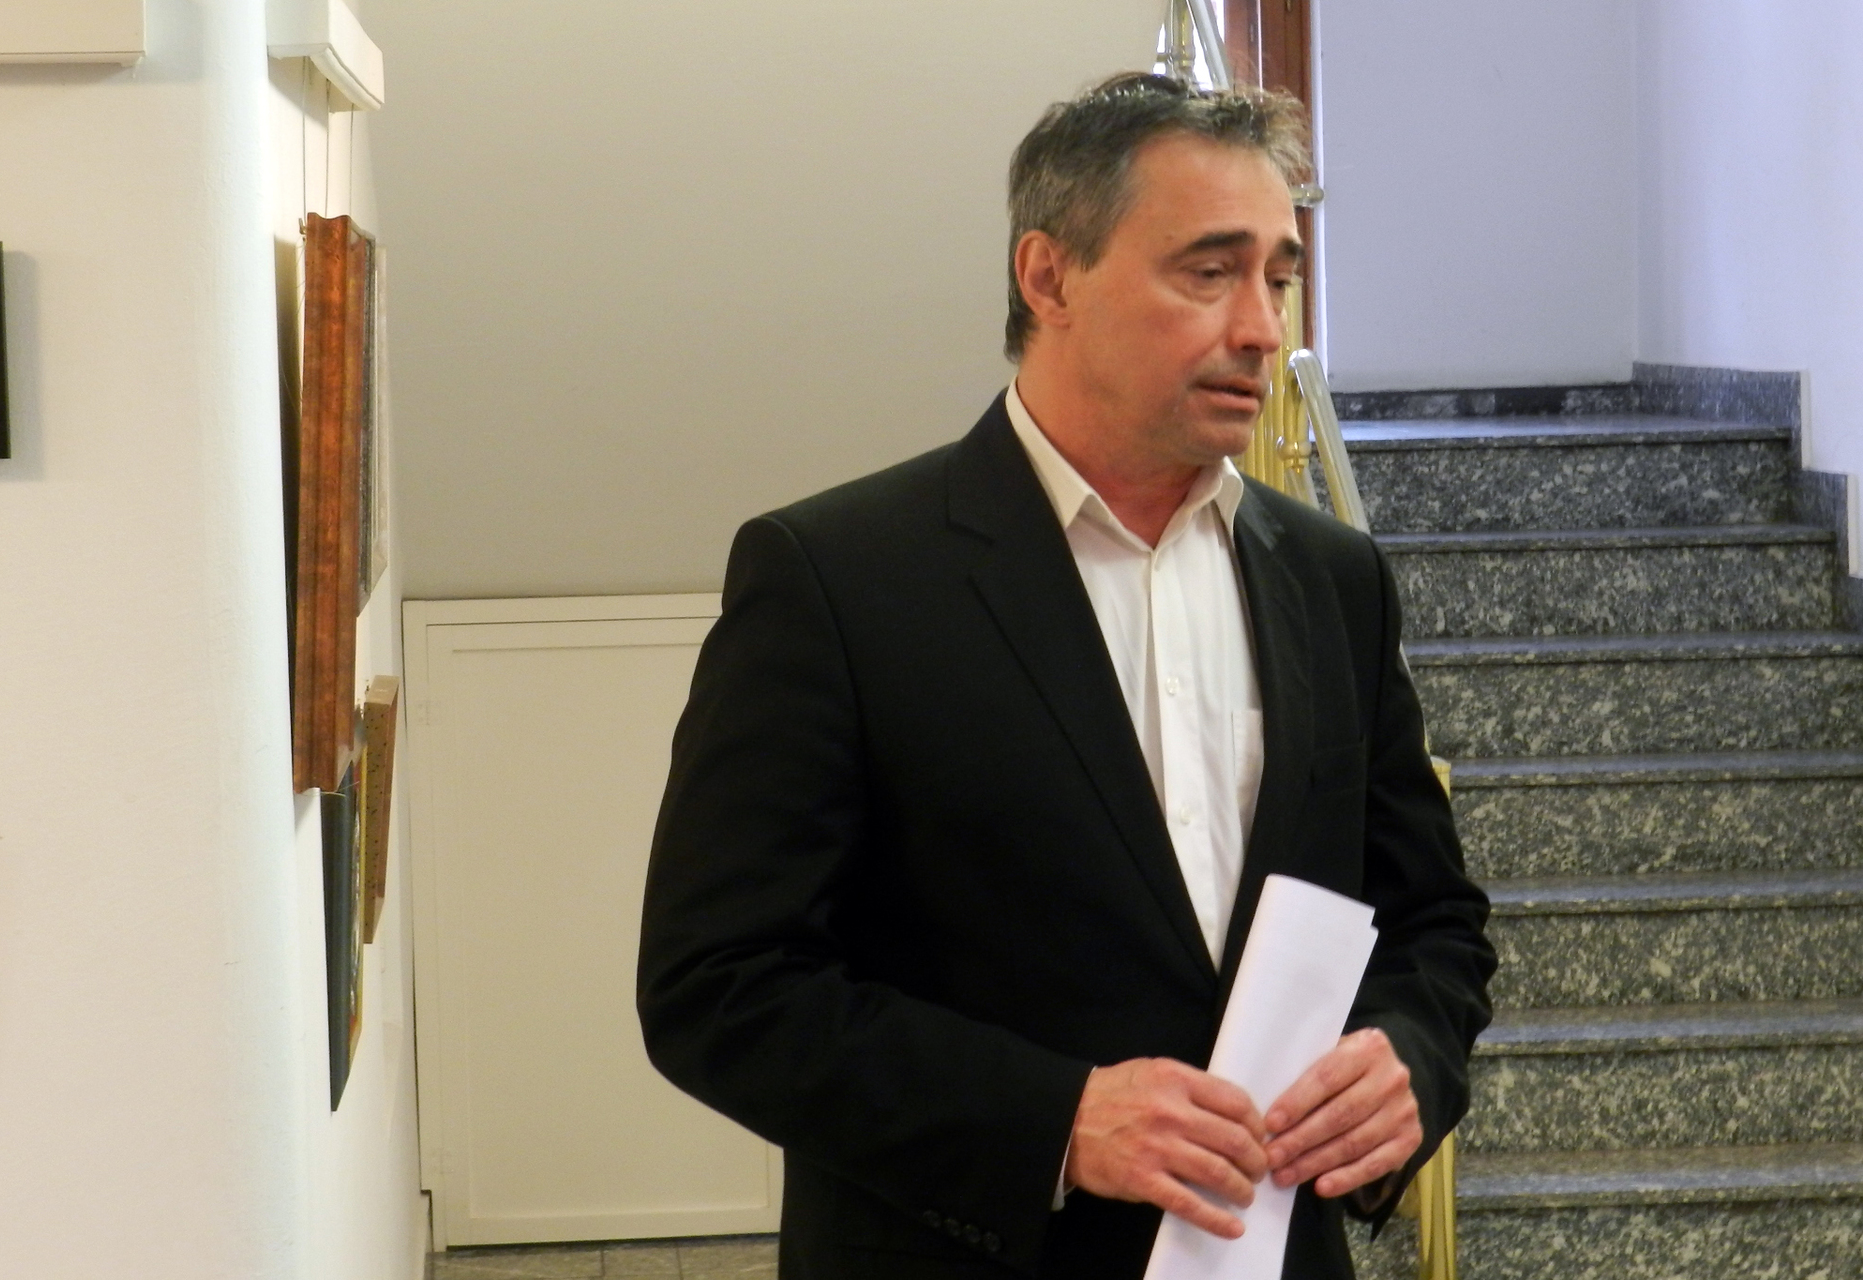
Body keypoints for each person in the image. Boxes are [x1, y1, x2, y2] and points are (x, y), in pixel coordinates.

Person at [637, 72, 1496, 1280]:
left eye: (1278, 276)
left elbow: (1433, 921)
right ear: (1049, 277)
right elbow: (717, 987)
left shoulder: (1333, 578)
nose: (1262, 327)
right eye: (1209, 270)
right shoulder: (834, 577)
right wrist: (1055, 1121)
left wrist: (1410, 1054)